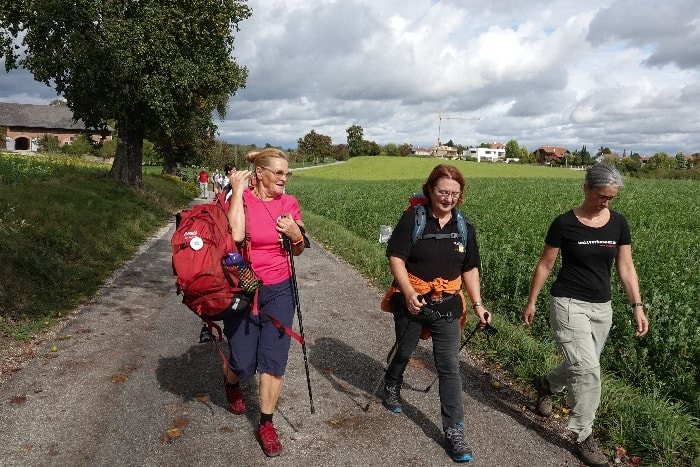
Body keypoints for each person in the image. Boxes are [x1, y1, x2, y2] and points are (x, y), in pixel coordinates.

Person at [521, 163, 649, 467]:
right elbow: (546, 264)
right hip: (568, 303)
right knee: (588, 369)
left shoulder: (619, 223)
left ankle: (547, 384)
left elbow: (626, 267)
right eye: (601, 196)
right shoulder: (564, 223)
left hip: (602, 308)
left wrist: (637, 306)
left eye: (611, 198)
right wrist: (531, 301)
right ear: (586, 188)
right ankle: (583, 436)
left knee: (581, 364)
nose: (605, 202)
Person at [381, 164, 491, 463]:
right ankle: (391, 382)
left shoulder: (464, 226)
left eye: (455, 194)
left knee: (449, 368)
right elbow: (396, 258)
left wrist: (478, 305)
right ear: (430, 190)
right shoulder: (413, 219)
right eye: (443, 192)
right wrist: (408, 292)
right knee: (404, 351)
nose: (448, 198)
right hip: (413, 301)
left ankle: (454, 430)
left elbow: (470, 268)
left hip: (448, 305)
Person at [222, 148, 305, 457]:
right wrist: (237, 190)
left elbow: (298, 250)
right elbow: (236, 235)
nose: (284, 178)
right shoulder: (241, 198)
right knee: (243, 362)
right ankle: (232, 382)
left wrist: (296, 235)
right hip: (243, 288)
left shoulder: (288, 203)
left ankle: (266, 423)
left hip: (280, 289)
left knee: (274, 358)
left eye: (287, 173)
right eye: (278, 173)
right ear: (260, 173)